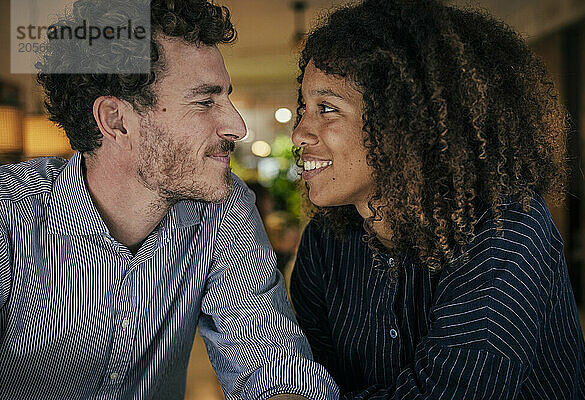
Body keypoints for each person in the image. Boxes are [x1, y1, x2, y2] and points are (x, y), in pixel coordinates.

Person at [0, 1, 339, 399]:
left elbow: (270, 367)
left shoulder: (223, 207)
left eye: (225, 98)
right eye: (204, 101)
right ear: (116, 120)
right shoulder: (11, 213)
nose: (237, 126)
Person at [289, 0, 585, 398]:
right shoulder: (326, 242)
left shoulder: (506, 230)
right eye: (304, 107)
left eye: (327, 109)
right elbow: (316, 381)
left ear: (401, 121)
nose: (299, 132)